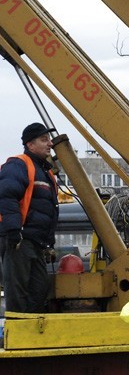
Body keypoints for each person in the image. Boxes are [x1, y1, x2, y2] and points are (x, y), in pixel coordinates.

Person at [0, 122, 58, 313]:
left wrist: (48, 243)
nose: (49, 143)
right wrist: (14, 231)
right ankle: (18, 334)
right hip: (20, 240)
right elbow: (7, 196)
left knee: (40, 289)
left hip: (35, 243)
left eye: (49, 139)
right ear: (30, 145)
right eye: (44, 140)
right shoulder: (19, 164)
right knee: (18, 291)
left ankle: (31, 333)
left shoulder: (46, 172)